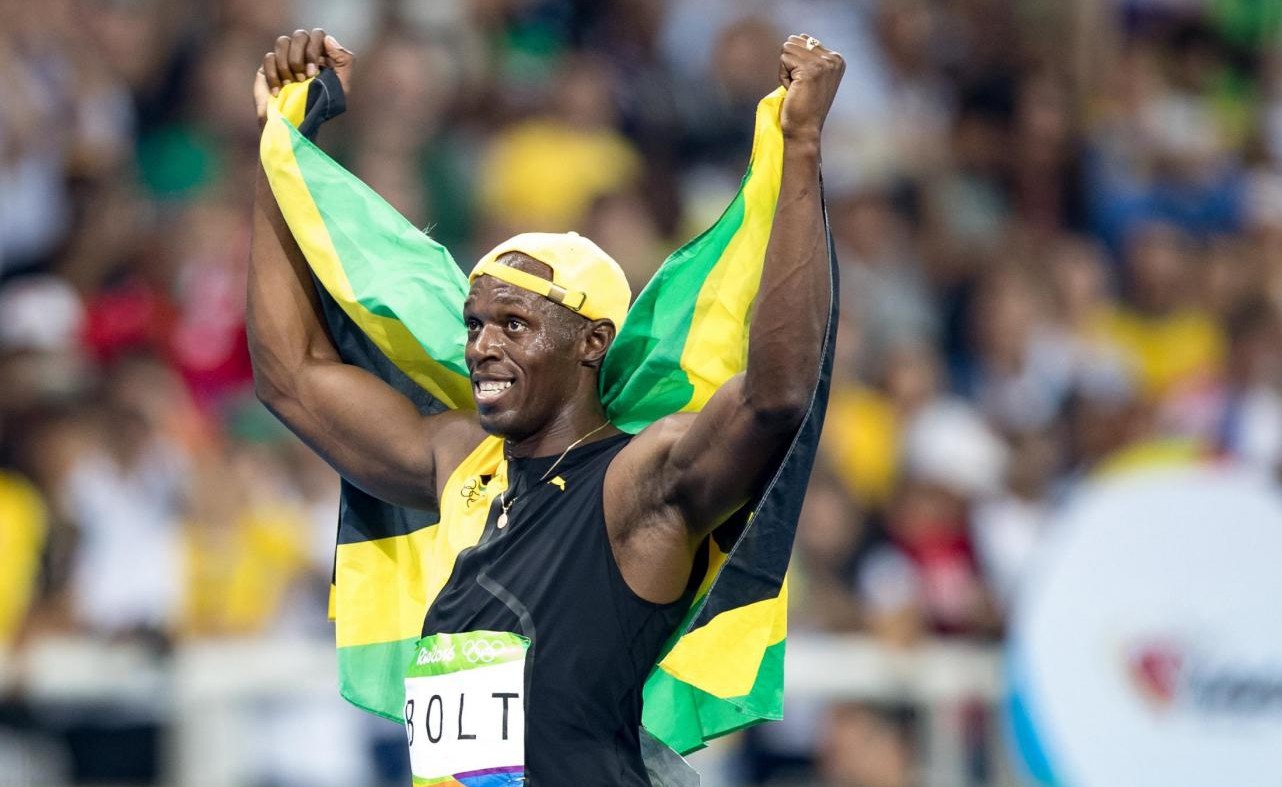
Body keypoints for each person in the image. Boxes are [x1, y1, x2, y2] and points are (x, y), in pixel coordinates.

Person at [247, 28, 843, 786]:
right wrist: (279, 144)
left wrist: (801, 147)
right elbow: (290, 377)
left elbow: (775, 396)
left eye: (514, 324)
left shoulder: (640, 482)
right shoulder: (461, 460)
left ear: (592, 342)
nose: (481, 346)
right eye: (473, 324)